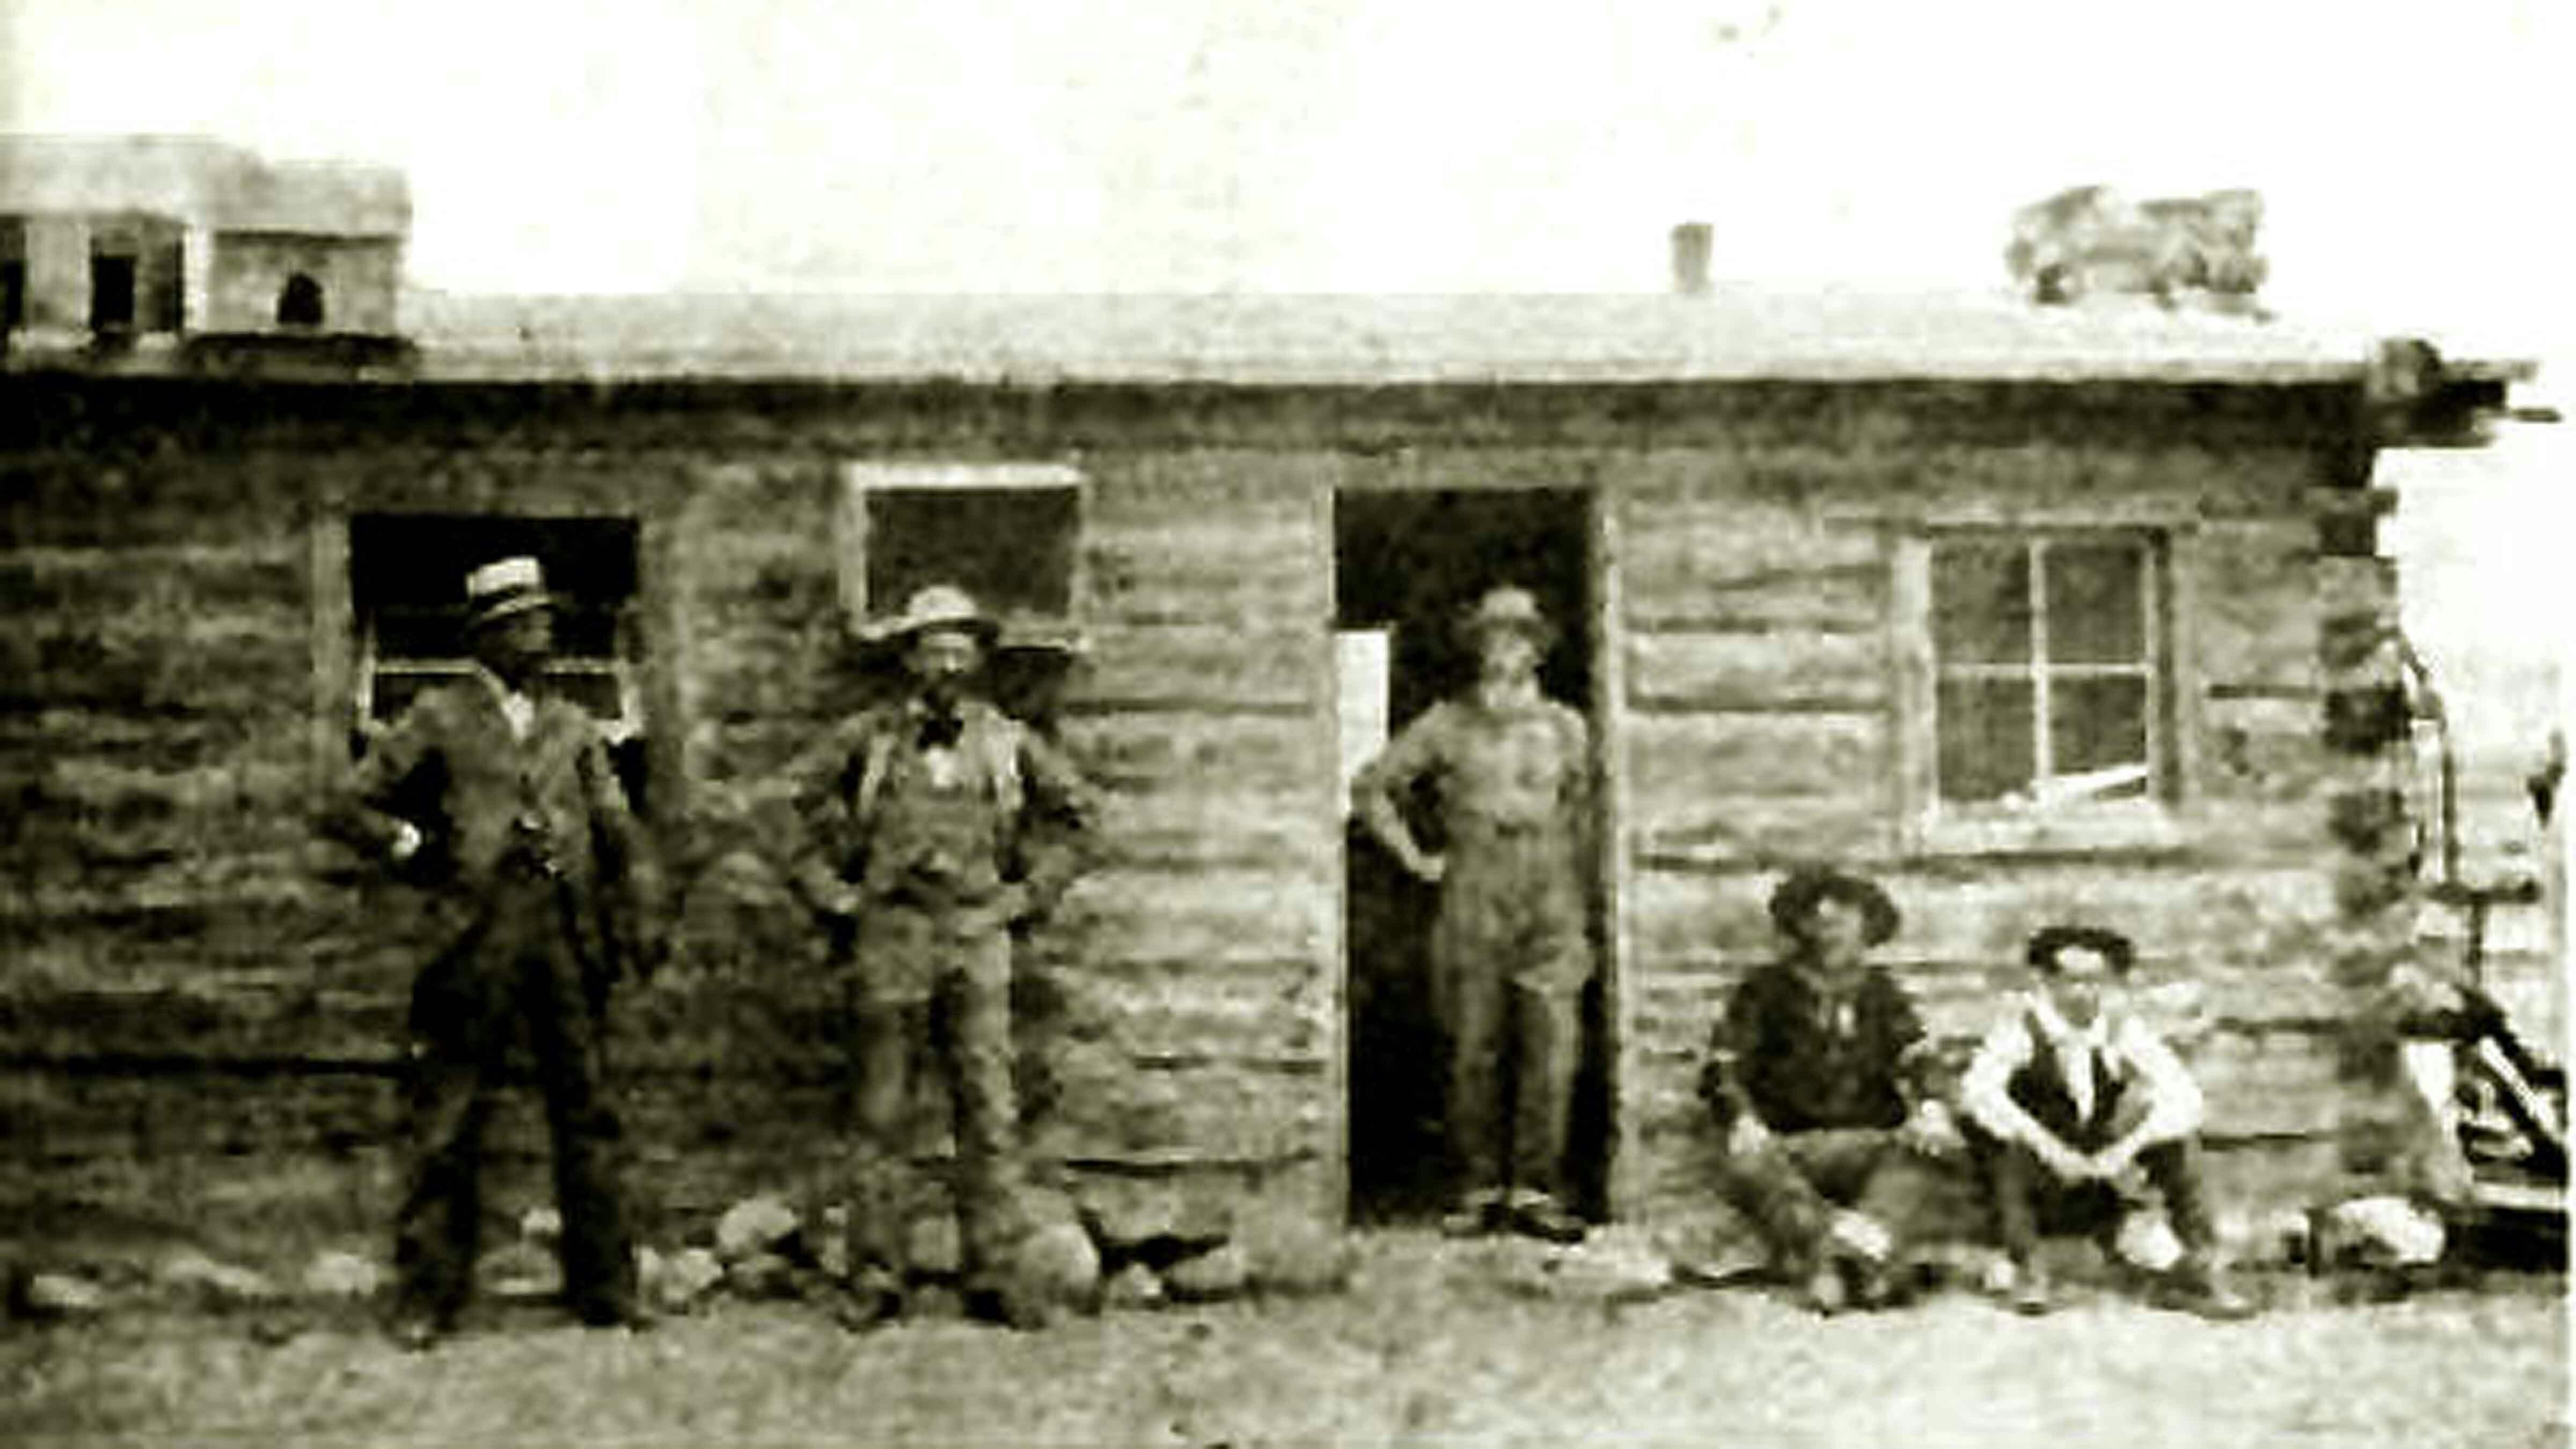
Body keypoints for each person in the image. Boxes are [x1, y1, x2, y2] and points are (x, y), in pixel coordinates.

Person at [324, 555, 664, 1349]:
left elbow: (618, 829)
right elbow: (347, 801)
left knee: (588, 1112)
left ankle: (605, 1290)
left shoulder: (575, 725)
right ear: (493, 635)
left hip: (567, 937)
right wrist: (416, 846)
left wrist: (640, 911)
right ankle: (428, 1296)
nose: (543, 634)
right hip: (474, 937)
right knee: (448, 1115)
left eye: (547, 620)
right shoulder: (439, 715)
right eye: (527, 622)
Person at [787, 584, 1095, 1328]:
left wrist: (1025, 900)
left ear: (980, 660)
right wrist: (834, 895)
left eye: (962, 648)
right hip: (889, 941)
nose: (948, 663)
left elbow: (1080, 820)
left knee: (989, 1111)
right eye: (933, 648)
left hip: (977, 940)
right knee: (881, 1114)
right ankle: (875, 1278)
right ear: (909, 659)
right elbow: (792, 810)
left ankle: (993, 1274)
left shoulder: (1006, 742)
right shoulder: (871, 739)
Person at [1351, 585, 1596, 1244]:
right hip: (1474, 884)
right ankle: (1479, 1187)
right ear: (1476, 646)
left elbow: (1589, 813)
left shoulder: (1568, 727)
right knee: (1473, 1043)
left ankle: (1538, 1190)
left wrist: (1582, 892)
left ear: (1538, 649)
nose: (1505, 648)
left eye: (1519, 636)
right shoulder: (1445, 724)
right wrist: (1417, 860)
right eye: (1492, 636)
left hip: (1552, 888)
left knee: (1554, 1046)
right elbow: (1372, 788)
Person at [1958, 924, 2255, 1319]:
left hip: (2103, 1174)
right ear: (2046, 982)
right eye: (2068, 981)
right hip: (2036, 1180)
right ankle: (2030, 1270)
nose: (2081, 993)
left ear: (2112, 983)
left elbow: (2184, 1096)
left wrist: (2123, 1152)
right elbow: (1981, 1094)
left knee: (2181, 1145)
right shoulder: (2020, 1030)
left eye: (2094, 981)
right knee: (2008, 1150)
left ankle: (2203, 1271)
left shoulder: (2122, 1031)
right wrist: (2052, 1150)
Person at [1697, 867, 1959, 1313]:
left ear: (1868, 928)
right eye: (1817, 919)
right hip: (1787, 1143)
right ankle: (1855, 1261)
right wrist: (1742, 1119)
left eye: (1845, 919)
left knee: (1931, 1155)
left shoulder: (1881, 992)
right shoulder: (1764, 990)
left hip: (1870, 1141)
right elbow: (1723, 1067)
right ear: (1799, 927)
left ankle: (1836, 1263)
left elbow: (1919, 1057)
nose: (1830, 931)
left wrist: (1932, 1104)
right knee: (1749, 1168)